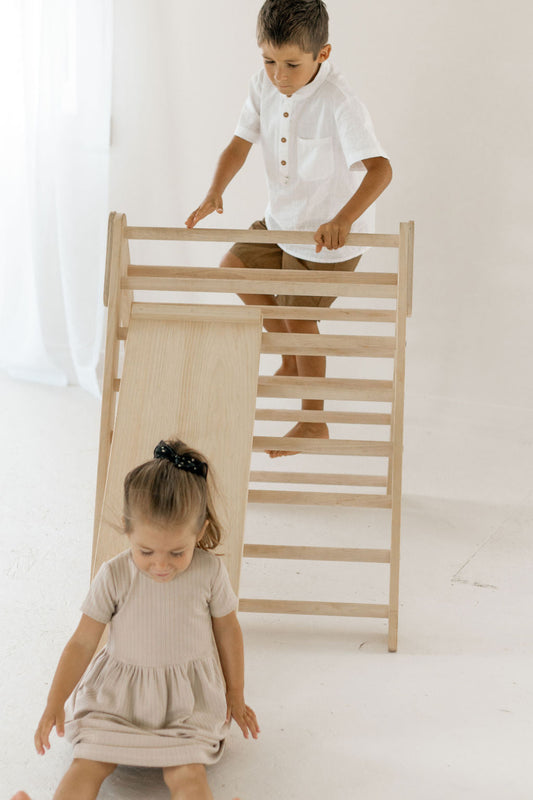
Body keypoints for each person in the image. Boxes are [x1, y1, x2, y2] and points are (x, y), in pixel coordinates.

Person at [185, 0, 392, 458]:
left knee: (301, 317)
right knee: (233, 267)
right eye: (269, 60)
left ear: (322, 54)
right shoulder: (264, 84)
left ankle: (313, 421)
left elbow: (380, 170)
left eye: (291, 64)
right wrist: (215, 190)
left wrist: (343, 219)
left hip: (328, 239)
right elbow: (240, 143)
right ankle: (289, 357)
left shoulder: (340, 101)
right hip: (282, 223)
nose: (279, 74)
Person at [12, 439, 258, 800]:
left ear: (200, 532)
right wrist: (55, 701)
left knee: (187, 774)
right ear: (127, 530)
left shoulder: (209, 572)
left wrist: (235, 693)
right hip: (116, 702)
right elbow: (82, 642)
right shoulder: (114, 575)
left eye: (178, 552)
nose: (161, 565)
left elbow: (227, 629)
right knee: (86, 765)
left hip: (185, 707)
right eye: (146, 551)